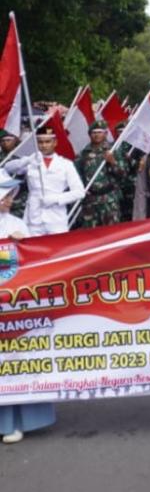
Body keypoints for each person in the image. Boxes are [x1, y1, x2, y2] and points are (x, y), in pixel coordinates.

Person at [0, 169, 56, 444]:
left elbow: (32, 262)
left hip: (14, 306)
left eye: (11, 193)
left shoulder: (15, 222)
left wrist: (26, 245)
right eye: (5, 193)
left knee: (16, 361)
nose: (10, 198)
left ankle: (20, 421)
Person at [3, 125, 85, 235]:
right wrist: (27, 160)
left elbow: (79, 192)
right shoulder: (32, 161)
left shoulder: (65, 164)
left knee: (57, 248)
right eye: (40, 142)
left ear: (55, 142)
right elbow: (8, 167)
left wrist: (55, 199)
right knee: (32, 249)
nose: (44, 145)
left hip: (56, 217)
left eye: (47, 142)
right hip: (34, 216)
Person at [74, 120, 128, 228]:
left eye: (100, 132)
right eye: (94, 132)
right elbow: (77, 176)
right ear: (89, 134)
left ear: (105, 133)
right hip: (90, 201)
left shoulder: (114, 150)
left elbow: (123, 174)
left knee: (111, 232)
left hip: (109, 199)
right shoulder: (83, 153)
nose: (97, 135)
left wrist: (113, 162)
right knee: (91, 234)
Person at [0, 129, 28, 217]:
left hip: (15, 195)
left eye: (8, 140)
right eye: (3, 141)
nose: (5, 143)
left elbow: (24, 182)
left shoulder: (21, 158)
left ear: (14, 140)